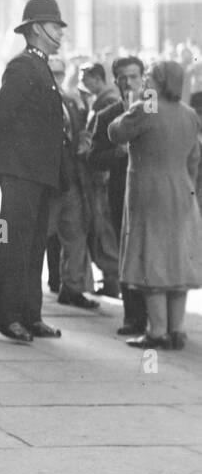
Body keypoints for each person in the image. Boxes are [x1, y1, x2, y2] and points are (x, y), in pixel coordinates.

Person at [0, 0, 68, 344]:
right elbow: (2, 112)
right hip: (22, 173)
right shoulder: (23, 66)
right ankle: (7, 317)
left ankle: (30, 315)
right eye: (54, 25)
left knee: (34, 246)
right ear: (36, 29)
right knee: (15, 243)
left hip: (38, 172)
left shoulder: (40, 66)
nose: (60, 31)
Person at [110, 60, 202, 350]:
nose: (146, 80)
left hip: (150, 196)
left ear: (160, 82)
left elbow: (116, 132)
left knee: (152, 261)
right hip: (182, 194)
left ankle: (157, 332)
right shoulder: (189, 115)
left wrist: (130, 105)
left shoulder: (146, 107)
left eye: (149, 76)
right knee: (177, 264)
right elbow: (194, 160)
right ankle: (176, 331)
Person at [89, 57, 148, 336]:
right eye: (122, 78)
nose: (128, 83)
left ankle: (156, 316)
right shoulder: (107, 116)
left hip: (151, 196)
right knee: (126, 255)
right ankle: (133, 317)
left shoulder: (155, 110)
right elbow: (93, 157)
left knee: (151, 253)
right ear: (115, 81)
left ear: (144, 78)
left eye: (133, 76)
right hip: (121, 194)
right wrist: (118, 153)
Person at [47, 57, 99, 311]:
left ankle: (73, 288)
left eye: (60, 73)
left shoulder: (69, 101)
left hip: (72, 181)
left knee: (75, 236)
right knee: (35, 236)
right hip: (49, 183)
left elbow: (77, 135)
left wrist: (83, 142)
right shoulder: (37, 102)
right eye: (52, 73)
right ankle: (18, 287)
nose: (56, 78)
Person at [79, 63, 122, 298]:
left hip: (101, 177)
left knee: (104, 228)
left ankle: (112, 279)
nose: (84, 85)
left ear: (96, 78)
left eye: (86, 79)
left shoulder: (106, 102)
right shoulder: (103, 100)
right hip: (100, 175)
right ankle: (110, 278)